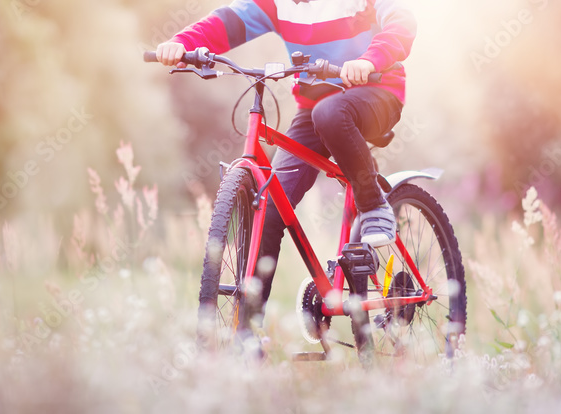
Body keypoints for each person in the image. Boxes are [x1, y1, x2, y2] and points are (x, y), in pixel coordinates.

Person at [155, 0, 415, 308]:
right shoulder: (276, 4)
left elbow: (402, 21)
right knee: (270, 206)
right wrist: (182, 43)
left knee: (330, 114)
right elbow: (228, 21)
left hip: (376, 92)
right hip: (314, 107)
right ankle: (248, 336)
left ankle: (373, 206)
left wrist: (371, 60)